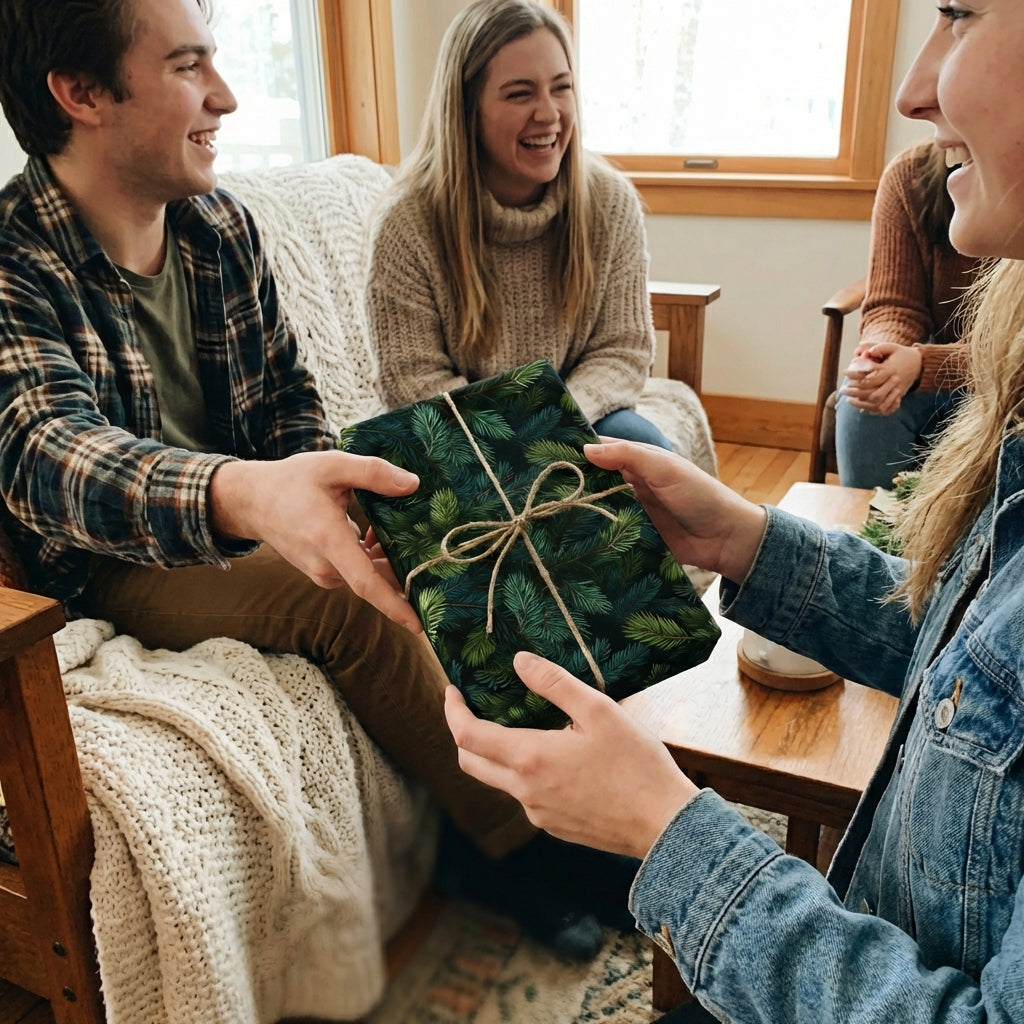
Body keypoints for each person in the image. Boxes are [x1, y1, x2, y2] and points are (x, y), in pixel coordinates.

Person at [0, 0, 636, 962]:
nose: (226, 96)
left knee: (462, 517)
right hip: (110, 563)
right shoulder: (14, 262)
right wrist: (250, 497)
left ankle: (593, 771)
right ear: (81, 94)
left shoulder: (215, 227)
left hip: (254, 515)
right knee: (343, 598)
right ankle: (519, 847)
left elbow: (289, 404)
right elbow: (45, 451)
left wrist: (330, 490)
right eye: (187, 68)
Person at [444, 2, 1024, 1019]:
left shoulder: (605, 201)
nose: (912, 86)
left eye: (959, 16)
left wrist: (670, 832)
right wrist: (743, 538)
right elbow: (977, 668)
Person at [366, 0, 674, 450]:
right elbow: (411, 379)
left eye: (561, 87)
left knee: (643, 448)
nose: (549, 114)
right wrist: (513, 435)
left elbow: (622, 350)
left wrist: (553, 423)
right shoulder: (406, 224)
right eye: (520, 93)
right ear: (467, 109)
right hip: (461, 436)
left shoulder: (610, 202)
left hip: (580, 418)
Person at [835, 139, 982, 489]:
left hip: (1003, 382)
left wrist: (921, 364)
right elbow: (896, 305)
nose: (908, 102)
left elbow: (1013, 357)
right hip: (938, 374)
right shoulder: (910, 175)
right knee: (866, 398)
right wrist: (880, 356)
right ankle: (874, 538)